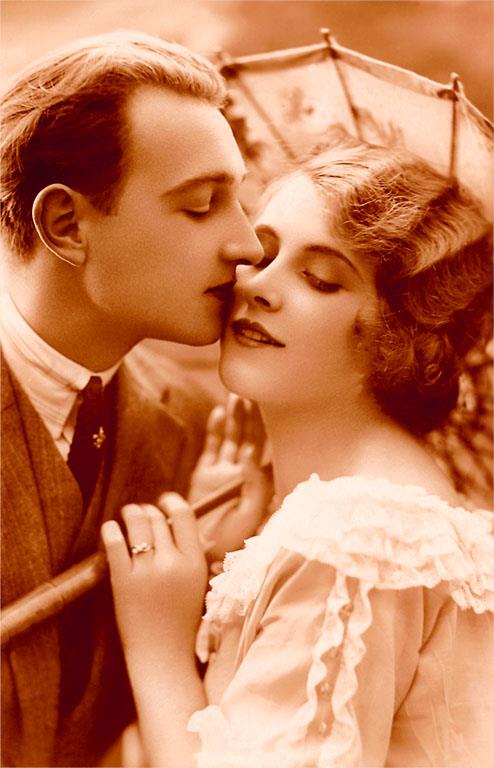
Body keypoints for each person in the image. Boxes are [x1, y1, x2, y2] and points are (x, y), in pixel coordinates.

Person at [102, 131, 494, 767]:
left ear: (397, 335)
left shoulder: (357, 537)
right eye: (261, 254)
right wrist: (225, 557)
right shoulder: (371, 511)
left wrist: (157, 643)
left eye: (320, 279)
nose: (259, 286)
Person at [0, 29, 264, 768]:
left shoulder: (199, 443)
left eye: (239, 201)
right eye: (202, 205)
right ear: (65, 225)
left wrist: (214, 574)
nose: (247, 246)